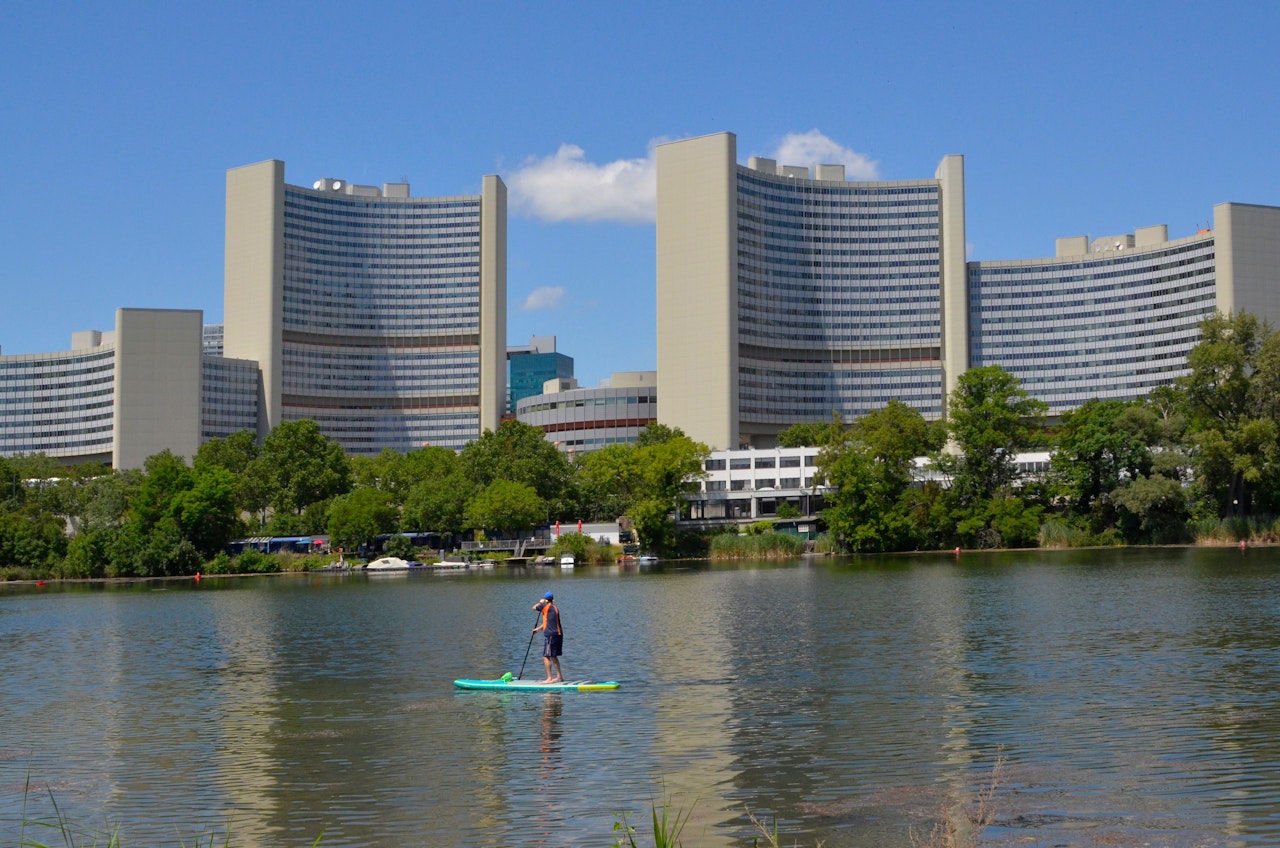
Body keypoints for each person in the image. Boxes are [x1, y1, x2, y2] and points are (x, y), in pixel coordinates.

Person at [532, 591, 564, 683]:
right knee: (553, 656)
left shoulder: (545, 606)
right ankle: (559, 677)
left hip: (551, 635)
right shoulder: (555, 608)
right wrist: (538, 629)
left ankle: (549, 678)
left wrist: (541, 602)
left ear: (546, 600)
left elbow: (534, 607)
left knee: (546, 656)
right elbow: (548, 622)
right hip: (558, 634)